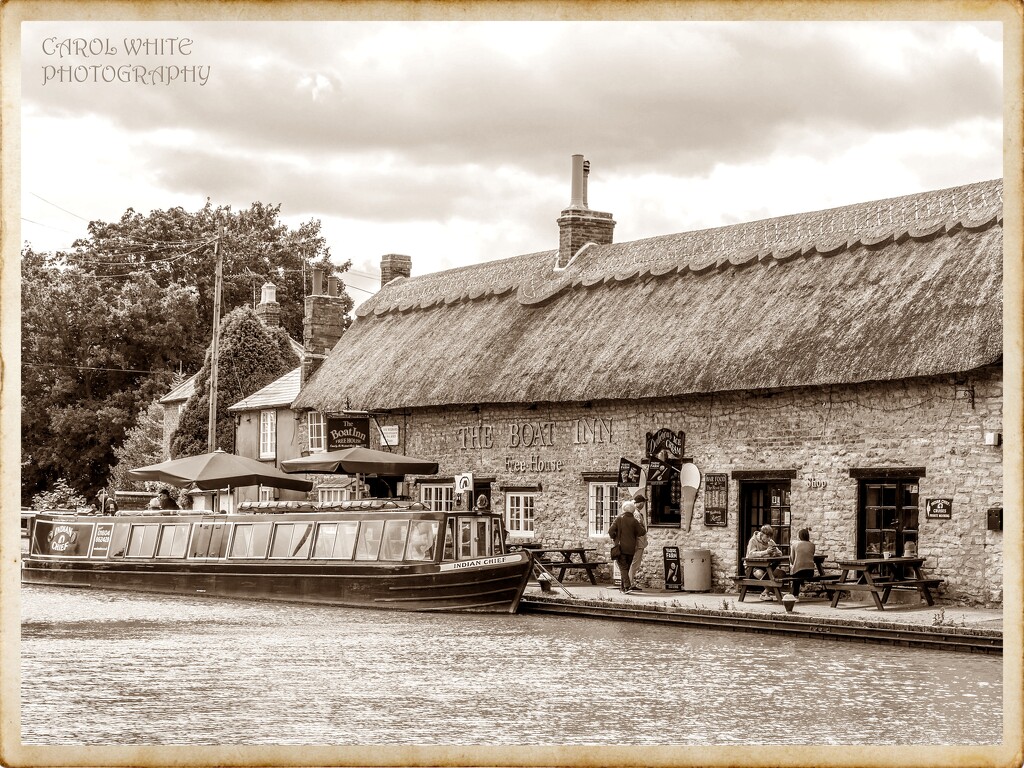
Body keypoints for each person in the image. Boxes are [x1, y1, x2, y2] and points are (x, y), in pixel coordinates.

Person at [608, 499, 647, 594]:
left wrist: (615, 538)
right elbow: (642, 532)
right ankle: (623, 588)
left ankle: (627, 586)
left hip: (620, 547)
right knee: (627, 567)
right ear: (632, 510)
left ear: (624, 509)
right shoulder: (634, 521)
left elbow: (610, 531)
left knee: (623, 568)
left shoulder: (619, 519)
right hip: (631, 548)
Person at [746, 524, 784, 601]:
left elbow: (780, 553)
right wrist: (765, 552)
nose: (769, 539)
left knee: (781, 573)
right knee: (761, 574)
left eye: (770, 537)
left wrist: (775, 552)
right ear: (761, 534)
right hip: (753, 567)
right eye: (767, 537)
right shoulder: (753, 541)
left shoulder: (770, 541)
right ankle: (779, 593)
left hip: (767, 566)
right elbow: (750, 555)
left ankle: (764, 593)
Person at [628, 492, 649, 591]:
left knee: (634, 563)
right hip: (638, 542)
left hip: (638, 542)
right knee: (635, 563)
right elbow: (638, 529)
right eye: (642, 503)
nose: (643, 505)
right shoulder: (636, 514)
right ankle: (629, 583)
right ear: (640, 503)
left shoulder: (635, 512)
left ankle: (630, 582)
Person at [788, 528, 816, 601]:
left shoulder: (795, 545)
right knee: (799, 572)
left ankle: (795, 595)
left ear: (799, 536)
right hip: (810, 571)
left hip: (799, 571)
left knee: (796, 573)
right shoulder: (812, 545)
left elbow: (791, 559)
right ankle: (802, 583)